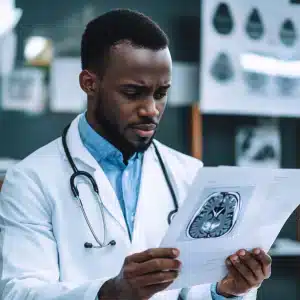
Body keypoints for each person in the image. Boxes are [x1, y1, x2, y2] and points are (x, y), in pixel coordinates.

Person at [0, 9, 271, 300]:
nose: (151, 110)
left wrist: (226, 292)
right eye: (133, 92)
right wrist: (110, 293)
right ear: (89, 83)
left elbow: (193, 291)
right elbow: (19, 292)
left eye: (161, 93)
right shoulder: (31, 180)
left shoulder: (189, 173)